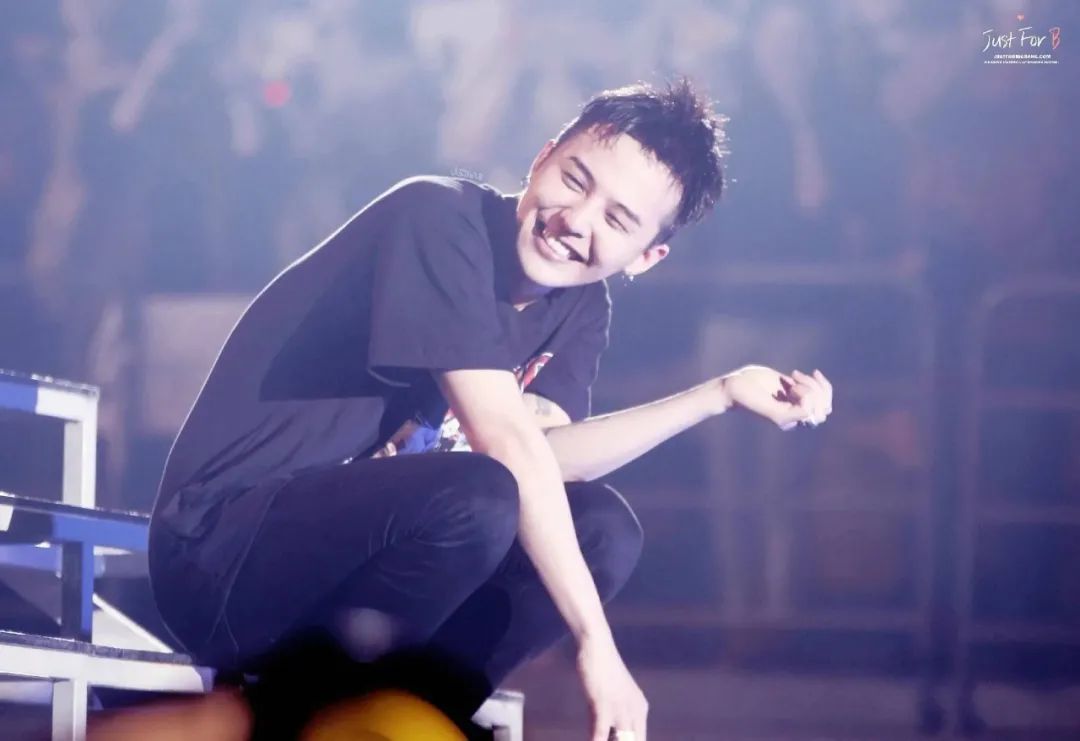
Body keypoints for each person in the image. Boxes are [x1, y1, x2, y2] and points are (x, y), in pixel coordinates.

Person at [148, 78, 834, 741]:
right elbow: (504, 443)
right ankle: (327, 714)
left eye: (616, 219)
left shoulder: (580, 307)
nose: (574, 221)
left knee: (601, 529)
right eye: (574, 180)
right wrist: (597, 643)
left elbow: (546, 461)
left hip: (351, 570)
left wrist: (717, 395)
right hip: (222, 558)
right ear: (542, 156)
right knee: (480, 495)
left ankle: (412, 715)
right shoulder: (437, 219)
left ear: (646, 256)